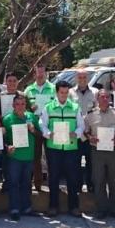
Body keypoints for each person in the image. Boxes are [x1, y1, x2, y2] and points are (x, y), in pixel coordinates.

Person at [40, 80, 84, 217]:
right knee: (53, 178)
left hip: (71, 148)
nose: (64, 95)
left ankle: (74, 207)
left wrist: (75, 134)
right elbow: (42, 124)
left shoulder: (76, 107)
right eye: (61, 92)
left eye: (66, 92)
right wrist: (49, 134)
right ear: (56, 92)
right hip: (54, 148)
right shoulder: (48, 107)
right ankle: (53, 206)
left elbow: (81, 126)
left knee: (73, 178)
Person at [84, 89, 115, 219]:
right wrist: (90, 137)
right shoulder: (90, 115)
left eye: (107, 97)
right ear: (97, 99)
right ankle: (101, 209)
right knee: (98, 180)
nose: (104, 99)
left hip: (114, 151)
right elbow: (86, 131)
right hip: (97, 151)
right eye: (102, 97)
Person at [2, 94, 40, 220]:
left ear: (26, 105)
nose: (20, 106)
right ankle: (14, 209)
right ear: (13, 105)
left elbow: (40, 135)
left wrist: (33, 130)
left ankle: (27, 208)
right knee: (13, 184)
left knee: (27, 183)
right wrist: (7, 147)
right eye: (17, 104)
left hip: (28, 157)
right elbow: (2, 139)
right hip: (15, 157)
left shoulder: (31, 117)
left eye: (23, 104)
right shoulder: (7, 119)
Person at [24, 64, 56, 192]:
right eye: (38, 72)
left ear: (46, 74)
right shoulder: (28, 90)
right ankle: (37, 184)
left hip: (50, 126)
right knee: (36, 157)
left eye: (43, 72)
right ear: (34, 74)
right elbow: (23, 110)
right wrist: (30, 111)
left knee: (52, 157)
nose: (41, 75)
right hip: (35, 127)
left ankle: (53, 184)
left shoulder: (54, 88)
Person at [69, 69, 98, 193]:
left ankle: (91, 185)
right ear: (76, 78)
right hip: (76, 133)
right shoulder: (70, 92)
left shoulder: (95, 92)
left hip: (90, 133)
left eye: (84, 77)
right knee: (75, 162)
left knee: (91, 161)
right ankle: (78, 185)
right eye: (80, 77)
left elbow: (97, 111)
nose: (82, 80)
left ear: (88, 78)